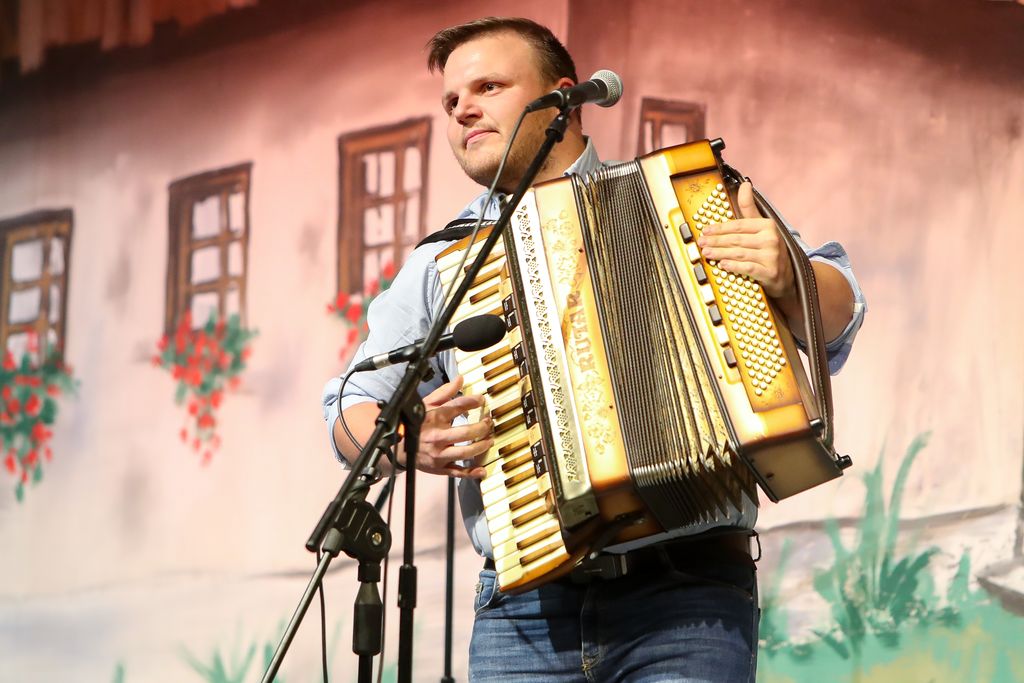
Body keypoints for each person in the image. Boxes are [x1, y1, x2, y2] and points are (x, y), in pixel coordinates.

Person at [322, 16, 866, 683]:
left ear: (563, 97)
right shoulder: (446, 261)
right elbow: (349, 402)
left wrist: (791, 274)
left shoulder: (688, 194)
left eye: (488, 87)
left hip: (689, 597)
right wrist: (406, 441)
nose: (462, 109)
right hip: (523, 615)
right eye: (451, 101)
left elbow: (839, 313)